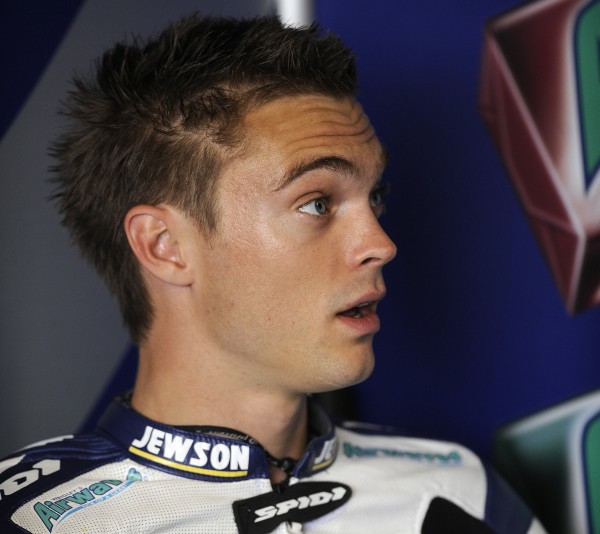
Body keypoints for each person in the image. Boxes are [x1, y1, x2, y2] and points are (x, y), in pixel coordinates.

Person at [0, 14, 545, 533]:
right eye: (316, 203)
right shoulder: (34, 519)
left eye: (375, 196)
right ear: (166, 247)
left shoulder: (461, 493)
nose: (381, 245)